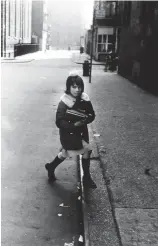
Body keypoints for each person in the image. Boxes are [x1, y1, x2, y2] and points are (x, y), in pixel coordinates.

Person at [45, 71, 97, 188]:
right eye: (74, 87)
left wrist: (85, 120)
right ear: (68, 87)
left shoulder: (85, 99)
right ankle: (86, 178)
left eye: (79, 87)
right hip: (69, 133)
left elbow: (92, 115)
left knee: (74, 152)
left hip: (82, 132)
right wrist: (74, 125)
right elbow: (59, 121)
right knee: (76, 152)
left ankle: (52, 167)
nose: (77, 90)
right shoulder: (64, 102)